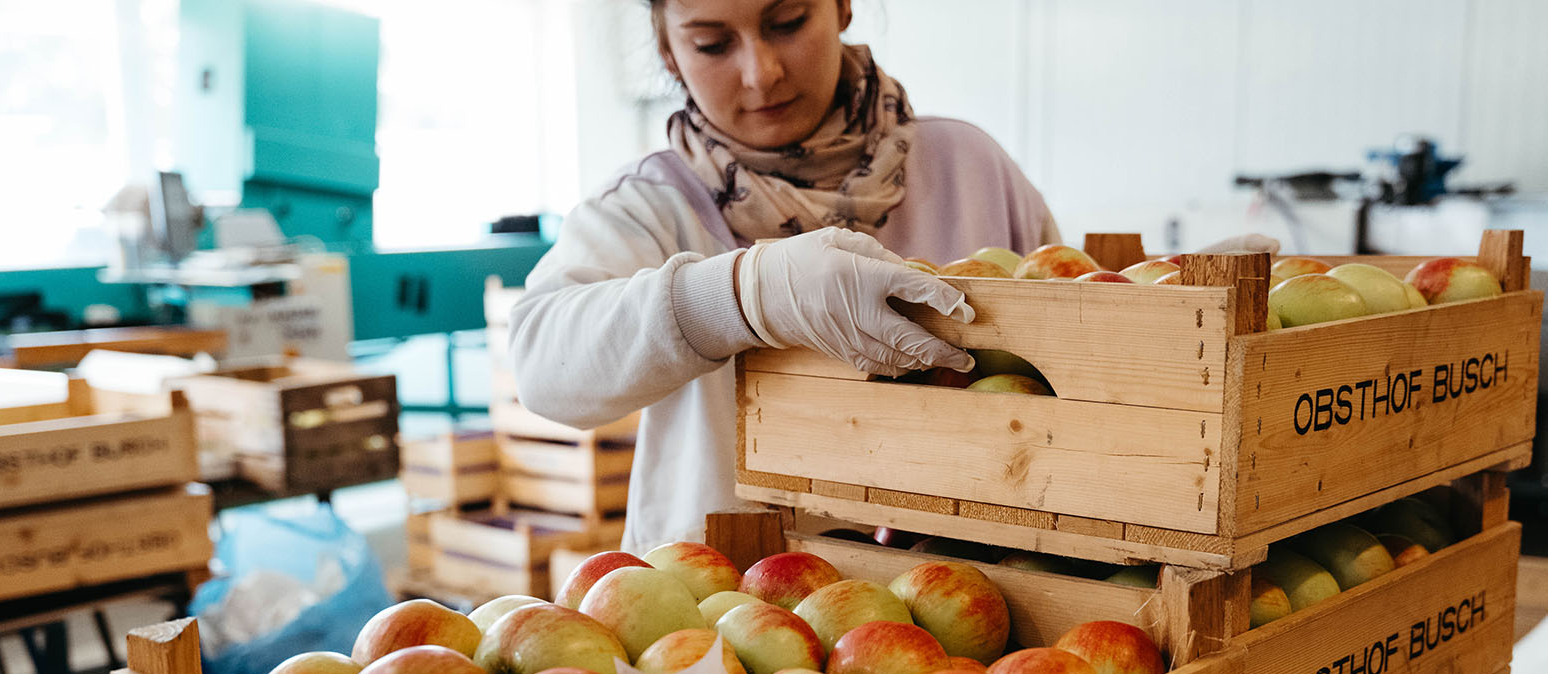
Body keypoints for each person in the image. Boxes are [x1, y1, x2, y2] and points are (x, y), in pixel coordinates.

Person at [507, 0, 1253, 553]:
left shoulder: (968, 169)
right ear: (669, 53)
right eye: (710, 42)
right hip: (724, 606)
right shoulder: (652, 206)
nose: (759, 71)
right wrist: (739, 296)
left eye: (787, 21)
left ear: (840, 6)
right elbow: (544, 363)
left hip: (981, 590)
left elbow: (1074, 372)